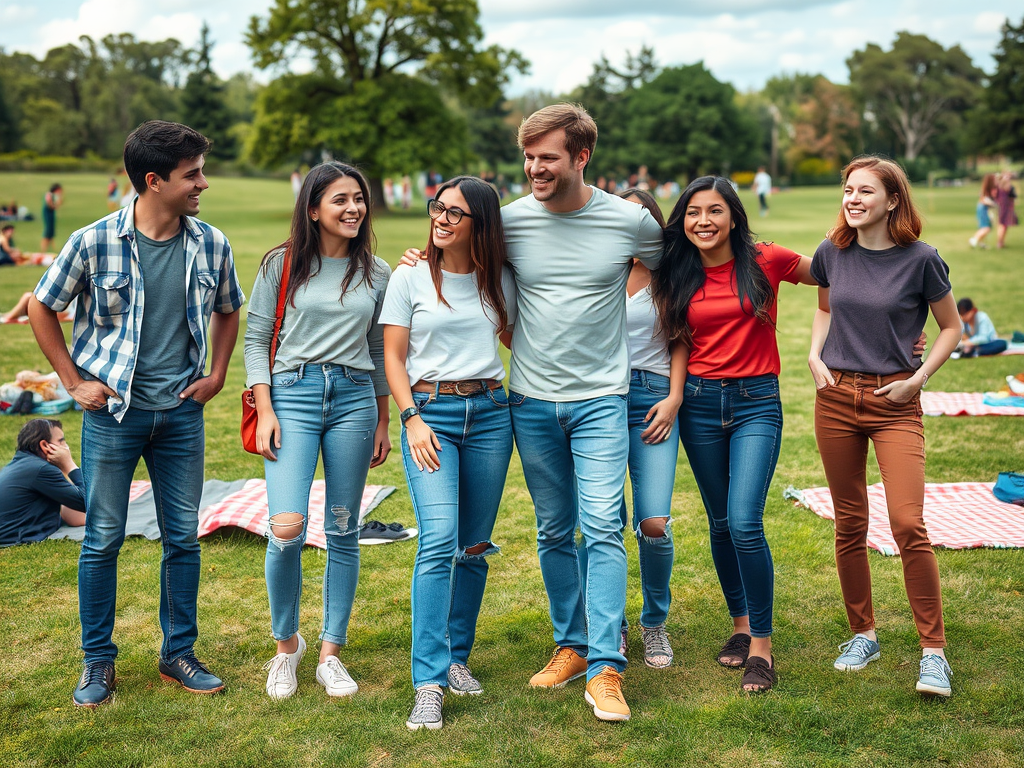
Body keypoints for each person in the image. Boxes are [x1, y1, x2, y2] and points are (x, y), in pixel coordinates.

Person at [402, 104, 663, 721]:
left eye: (548, 157)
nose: (535, 168)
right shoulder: (510, 223)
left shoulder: (628, 221)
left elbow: (680, 266)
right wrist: (421, 258)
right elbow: (457, 254)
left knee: (600, 524)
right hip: (528, 403)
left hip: (602, 399)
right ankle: (570, 644)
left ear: (581, 157)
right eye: (529, 157)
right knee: (552, 531)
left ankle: (606, 667)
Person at [29, 120, 245, 709]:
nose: (204, 183)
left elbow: (229, 309)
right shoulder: (93, 240)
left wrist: (217, 375)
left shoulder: (212, 242)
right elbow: (41, 308)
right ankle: (98, 663)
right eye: (192, 174)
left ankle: (178, 654)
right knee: (101, 540)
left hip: (181, 416)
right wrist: (74, 383)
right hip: (112, 418)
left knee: (184, 539)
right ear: (154, 181)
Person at [651, 176, 817, 694]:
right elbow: (678, 338)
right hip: (699, 405)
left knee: (745, 520)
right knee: (720, 522)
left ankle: (762, 648)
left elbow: (840, 273)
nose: (704, 221)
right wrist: (677, 395)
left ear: (734, 216)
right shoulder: (677, 270)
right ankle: (741, 627)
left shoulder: (767, 259)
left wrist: (876, 322)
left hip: (755, 405)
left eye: (715, 211)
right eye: (694, 212)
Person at [808, 155, 961, 698]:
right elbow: (825, 309)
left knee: (906, 522)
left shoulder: (922, 260)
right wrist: (813, 353)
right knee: (849, 521)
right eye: (848, 189)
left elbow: (951, 326)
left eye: (865, 191)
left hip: (895, 398)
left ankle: (934, 653)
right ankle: (863, 633)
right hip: (836, 399)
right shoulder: (832, 252)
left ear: (892, 200)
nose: (853, 199)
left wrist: (917, 380)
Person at [245, 161, 392, 703]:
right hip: (293, 395)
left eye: (359, 198)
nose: (353, 208)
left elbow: (379, 349)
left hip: (354, 399)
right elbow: (257, 337)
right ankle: (287, 648)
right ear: (313, 209)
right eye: (340, 200)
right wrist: (266, 409)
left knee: (343, 527)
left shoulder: (377, 273)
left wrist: (381, 417)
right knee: (285, 527)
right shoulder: (281, 265)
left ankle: (331, 652)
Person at [381, 175, 516, 730]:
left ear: (479, 225)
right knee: (437, 541)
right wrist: (410, 417)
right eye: (438, 208)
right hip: (430, 415)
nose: (440, 218)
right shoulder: (408, 275)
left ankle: (457, 657)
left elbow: (520, 336)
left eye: (455, 213)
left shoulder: (500, 279)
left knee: (472, 547)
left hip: (489, 415)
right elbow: (392, 356)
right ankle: (429, 682)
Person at [584, 187, 681, 670]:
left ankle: (654, 622)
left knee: (653, 523)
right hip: (600, 398)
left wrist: (673, 397)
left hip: (654, 399)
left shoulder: (668, 276)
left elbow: (681, 342)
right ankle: (610, 623)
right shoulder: (597, 269)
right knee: (602, 522)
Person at [0, 418, 86, 547]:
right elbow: (89, 503)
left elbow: (74, 508)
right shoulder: (41, 469)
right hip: (13, 537)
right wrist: (69, 465)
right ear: (45, 445)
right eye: (61, 441)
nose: (66, 447)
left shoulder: (24, 464)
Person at [3, 291, 75, 324]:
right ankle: (7, 316)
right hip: (63, 310)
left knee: (28, 296)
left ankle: (8, 317)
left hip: (63, 312)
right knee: (30, 297)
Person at [969, 174, 998, 249]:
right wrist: (993, 204)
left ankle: (981, 243)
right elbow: (983, 200)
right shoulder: (987, 189)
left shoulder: (991, 188)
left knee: (986, 226)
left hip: (986, 209)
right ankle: (974, 240)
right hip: (984, 209)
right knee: (986, 227)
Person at [994, 171, 1018, 249]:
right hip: (1006, 208)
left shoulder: (998, 186)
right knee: (1003, 225)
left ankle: (1001, 241)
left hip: (1001, 207)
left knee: (1002, 225)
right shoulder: (1007, 187)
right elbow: (1012, 198)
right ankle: (1000, 242)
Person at [41, 183, 62, 252]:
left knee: (51, 231)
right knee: (48, 231)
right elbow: (51, 205)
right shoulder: (49, 195)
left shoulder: (54, 196)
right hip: (48, 213)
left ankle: (51, 248)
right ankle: (44, 249)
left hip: (51, 214)